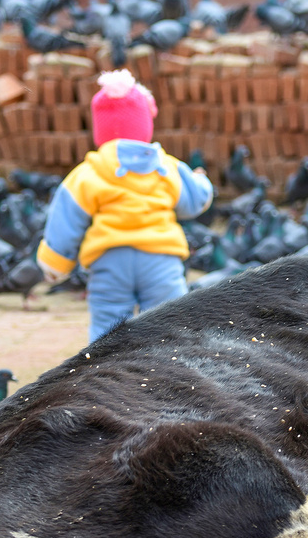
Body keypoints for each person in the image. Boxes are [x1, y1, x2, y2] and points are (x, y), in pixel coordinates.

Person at [37, 69, 214, 341]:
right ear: (145, 125)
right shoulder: (165, 166)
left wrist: (55, 263)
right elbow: (194, 201)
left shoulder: (89, 172)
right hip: (161, 258)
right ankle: (170, 373)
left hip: (109, 260)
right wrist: (202, 181)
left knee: (107, 328)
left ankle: (101, 376)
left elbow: (66, 217)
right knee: (170, 325)